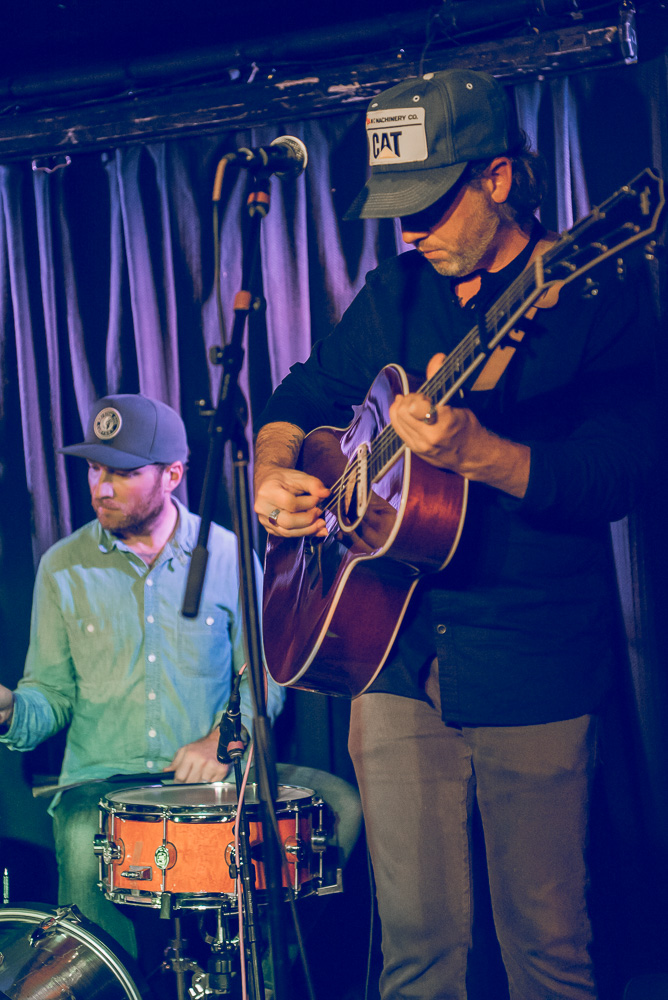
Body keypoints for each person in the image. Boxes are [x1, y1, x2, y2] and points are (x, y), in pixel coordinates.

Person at [252, 70, 656, 999]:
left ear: (499, 178)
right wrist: (278, 473)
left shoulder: (595, 293)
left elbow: (626, 473)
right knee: (416, 951)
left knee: (547, 948)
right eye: (395, 212)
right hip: (391, 662)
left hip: (534, 657)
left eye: (428, 207)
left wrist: (486, 454)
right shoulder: (393, 291)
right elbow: (298, 401)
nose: (409, 232)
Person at [0, 393, 360, 968]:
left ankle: (264, 962)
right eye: (95, 468)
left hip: (213, 785)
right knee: (77, 838)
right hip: (102, 784)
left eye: (122, 471)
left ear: (172, 474)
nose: (101, 486)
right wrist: (14, 708)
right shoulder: (62, 566)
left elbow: (264, 680)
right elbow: (52, 696)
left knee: (337, 805)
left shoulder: (229, 556)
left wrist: (224, 740)